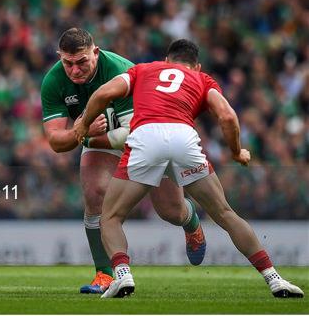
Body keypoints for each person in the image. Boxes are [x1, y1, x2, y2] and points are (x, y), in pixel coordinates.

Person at [74, 39, 304, 299]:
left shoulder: (143, 70)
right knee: (225, 213)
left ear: (166, 60)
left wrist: (83, 127)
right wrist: (236, 151)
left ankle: (123, 274)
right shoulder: (202, 79)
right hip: (184, 138)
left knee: (110, 217)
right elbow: (227, 116)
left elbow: (103, 93)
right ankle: (274, 278)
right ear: (197, 65)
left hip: (146, 137)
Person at [41, 28, 207, 294]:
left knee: (170, 210)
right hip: (98, 138)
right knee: (94, 192)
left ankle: (190, 221)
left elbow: (131, 134)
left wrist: (86, 137)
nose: (74, 70)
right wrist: (81, 131)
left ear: (95, 53)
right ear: (60, 57)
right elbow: (55, 141)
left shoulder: (120, 70)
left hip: (148, 136)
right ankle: (104, 274)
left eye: (82, 62)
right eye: (67, 63)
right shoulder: (54, 80)